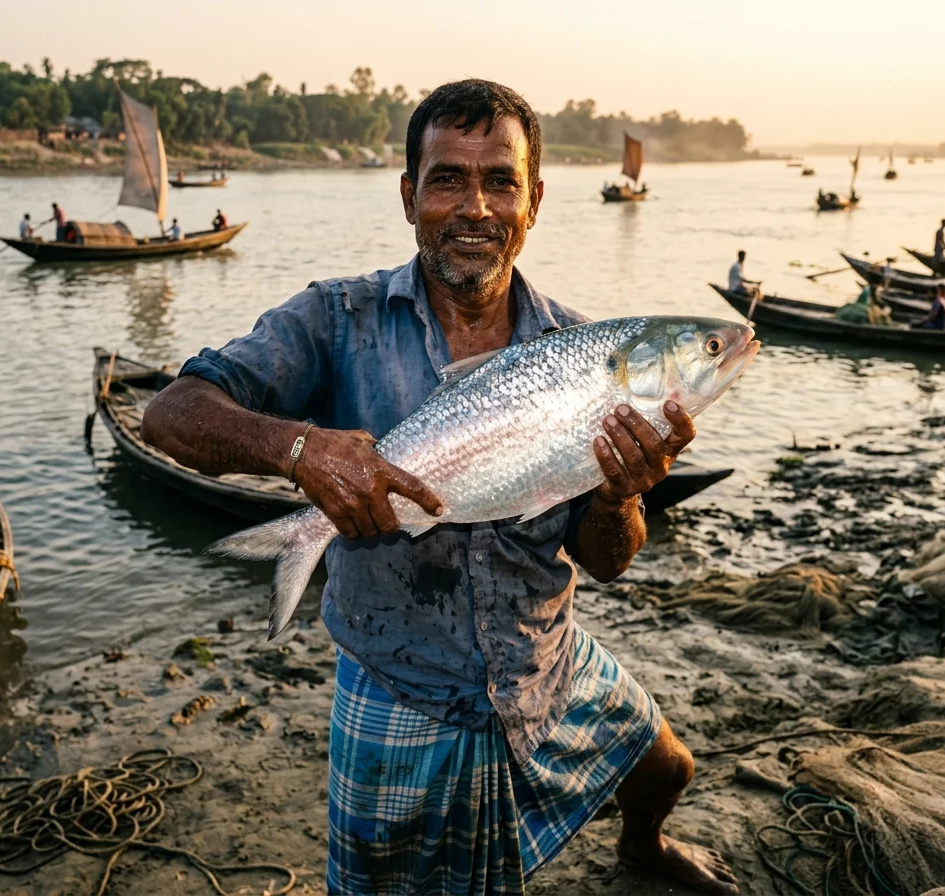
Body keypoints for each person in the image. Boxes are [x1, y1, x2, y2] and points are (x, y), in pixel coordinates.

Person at [141, 79, 738, 896]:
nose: (475, 207)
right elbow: (171, 413)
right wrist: (299, 447)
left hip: (543, 663)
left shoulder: (578, 350)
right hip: (399, 685)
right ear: (408, 196)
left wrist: (619, 495)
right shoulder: (334, 320)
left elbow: (607, 562)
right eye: (448, 178)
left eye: (500, 180)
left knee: (666, 766)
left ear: (533, 201)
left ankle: (641, 847)